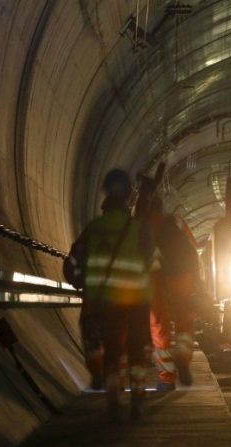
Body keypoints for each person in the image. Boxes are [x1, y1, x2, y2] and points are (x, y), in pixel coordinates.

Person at [64, 169, 155, 422]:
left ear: (105, 194)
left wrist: (81, 282)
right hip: (136, 300)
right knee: (137, 352)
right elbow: (150, 259)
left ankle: (114, 401)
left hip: (105, 301)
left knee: (113, 354)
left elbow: (71, 262)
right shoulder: (139, 228)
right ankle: (137, 401)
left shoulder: (94, 228)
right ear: (129, 196)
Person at [146, 196, 199, 391]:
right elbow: (193, 251)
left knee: (160, 327)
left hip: (155, 280)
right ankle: (183, 357)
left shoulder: (140, 225)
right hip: (182, 277)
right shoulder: (176, 222)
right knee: (185, 321)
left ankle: (167, 378)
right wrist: (197, 281)